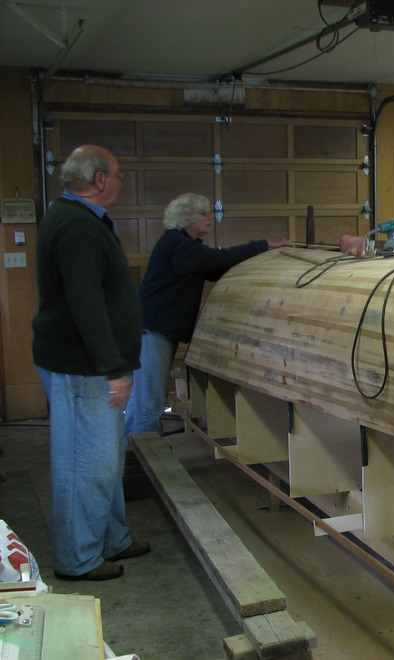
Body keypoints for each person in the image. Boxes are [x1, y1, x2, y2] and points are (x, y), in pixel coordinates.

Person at [32, 145, 149, 581]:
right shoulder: (77, 226)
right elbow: (85, 302)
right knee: (86, 464)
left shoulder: (78, 218)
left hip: (89, 363)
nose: (119, 182)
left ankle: (112, 538)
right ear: (100, 179)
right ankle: (77, 559)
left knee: (107, 461)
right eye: (117, 174)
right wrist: (112, 368)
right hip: (84, 367)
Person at [124, 193, 293, 437]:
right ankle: (144, 450)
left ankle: (133, 446)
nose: (210, 218)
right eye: (204, 214)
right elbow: (216, 259)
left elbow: (213, 268)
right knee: (148, 399)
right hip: (152, 331)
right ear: (187, 218)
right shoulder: (177, 245)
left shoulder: (184, 245)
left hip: (157, 329)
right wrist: (263, 245)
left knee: (143, 397)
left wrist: (258, 261)